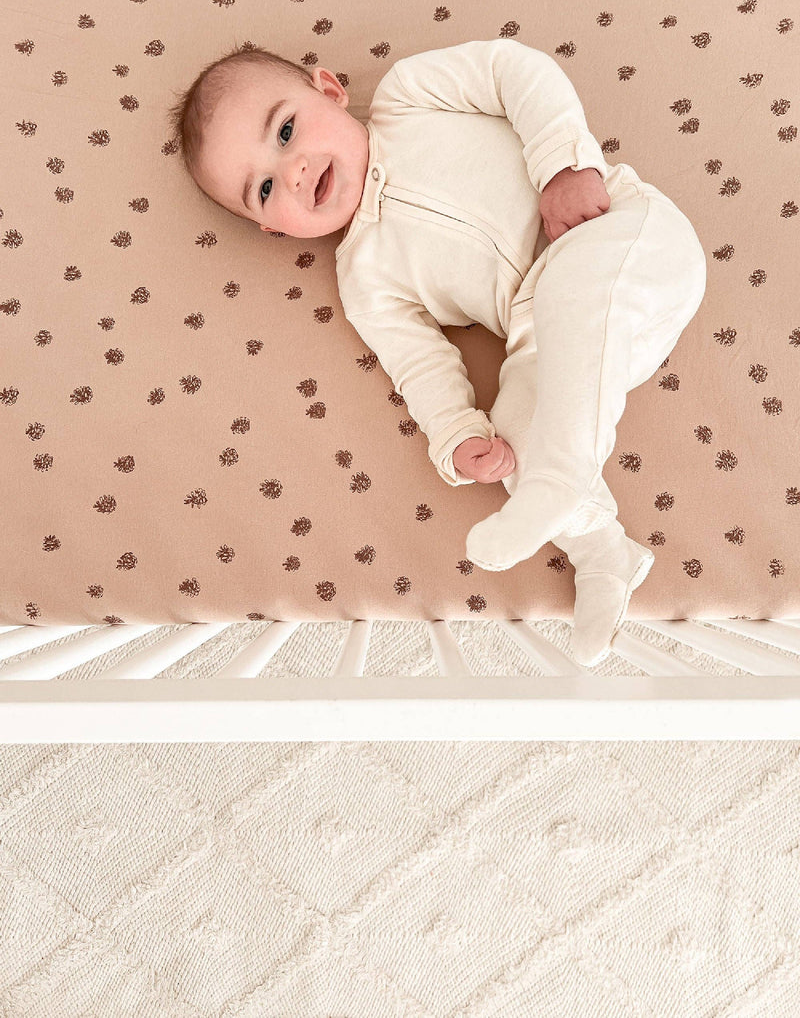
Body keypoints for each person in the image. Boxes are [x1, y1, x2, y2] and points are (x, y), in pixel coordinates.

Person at [168, 38, 707, 666]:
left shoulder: (409, 96)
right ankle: (602, 552)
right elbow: (419, 362)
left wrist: (564, 167)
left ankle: (560, 478)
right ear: (272, 228)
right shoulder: (364, 279)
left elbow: (516, 72)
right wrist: (454, 433)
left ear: (330, 90)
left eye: (286, 130)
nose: (291, 172)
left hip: (622, 233)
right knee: (515, 430)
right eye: (262, 189)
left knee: (574, 297)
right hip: (560, 338)